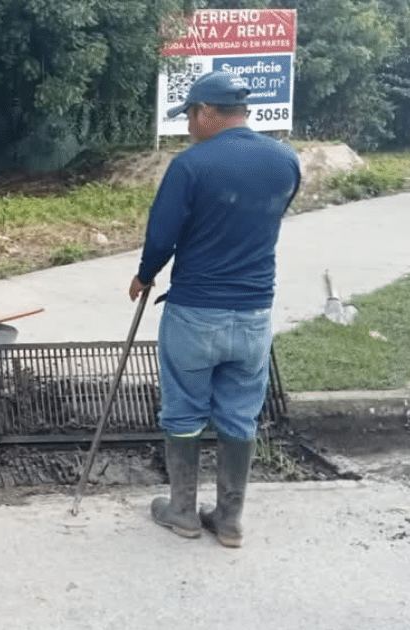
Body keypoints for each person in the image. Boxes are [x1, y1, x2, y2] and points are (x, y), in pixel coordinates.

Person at [129, 72, 300, 547]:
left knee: (184, 410)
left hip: (195, 312)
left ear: (205, 112)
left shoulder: (191, 165)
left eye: (188, 115)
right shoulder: (286, 160)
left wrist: (144, 276)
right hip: (253, 314)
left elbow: (162, 236)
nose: (187, 125)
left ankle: (182, 512)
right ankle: (229, 521)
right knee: (240, 415)